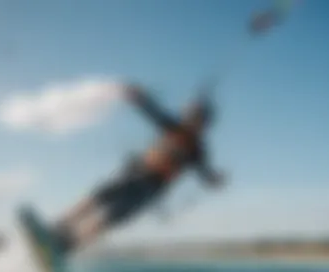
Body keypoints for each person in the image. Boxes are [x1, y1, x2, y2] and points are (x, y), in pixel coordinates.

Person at [52, 83, 227, 254]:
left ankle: (68, 246)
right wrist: (139, 98)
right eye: (191, 116)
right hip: (136, 170)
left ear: (203, 125)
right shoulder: (172, 126)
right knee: (100, 196)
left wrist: (215, 180)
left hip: (151, 188)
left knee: (111, 217)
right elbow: (152, 111)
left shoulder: (197, 152)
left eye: (197, 119)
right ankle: (59, 226)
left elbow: (206, 174)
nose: (192, 121)